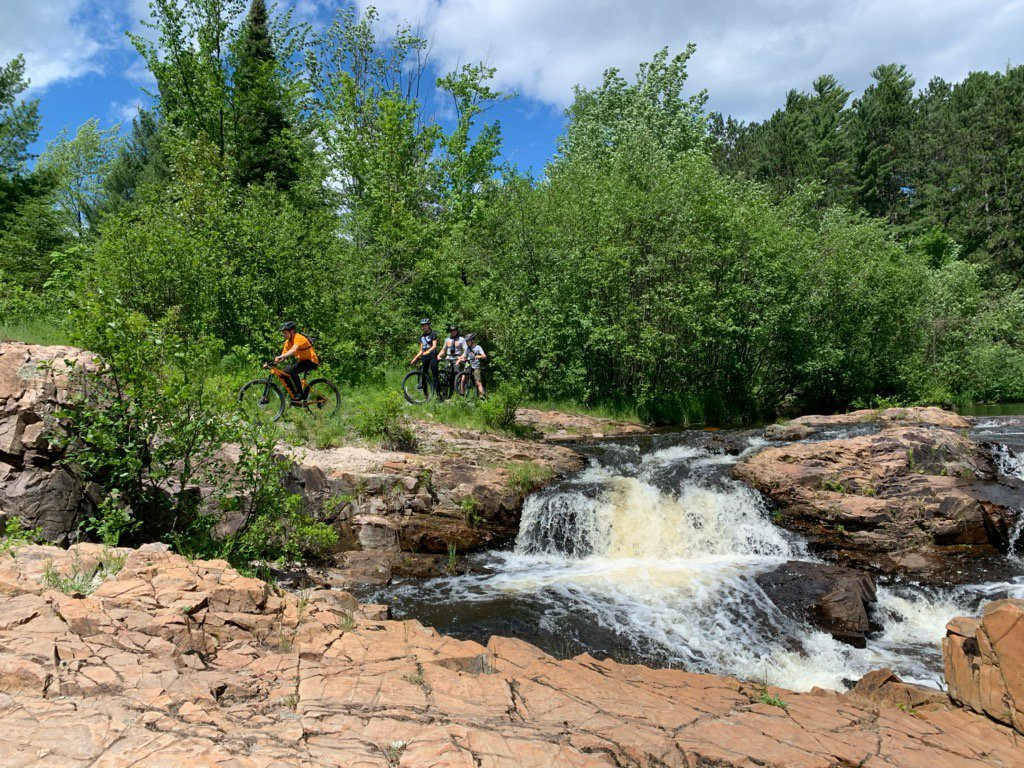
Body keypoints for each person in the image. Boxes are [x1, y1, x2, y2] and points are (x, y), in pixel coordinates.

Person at [274, 321, 319, 401]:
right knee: (283, 373)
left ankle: (300, 394)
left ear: (292, 331)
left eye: (285, 333)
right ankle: (294, 395)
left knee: (291, 369)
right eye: (283, 333)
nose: (284, 335)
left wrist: (282, 356)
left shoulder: (298, 337)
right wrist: (273, 363)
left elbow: (293, 350)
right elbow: (283, 356)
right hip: (303, 361)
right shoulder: (288, 342)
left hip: (312, 361)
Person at [409, 317, 439, 394]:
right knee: (424, 376)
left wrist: (428, 351)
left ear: (428, 325)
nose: (423, 327)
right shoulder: (422, 336)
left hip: (432, 356)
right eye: (422, 326)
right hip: (425, 357)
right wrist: (414, 359)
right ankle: (426, 396)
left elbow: (434, 346)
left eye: (425, 325)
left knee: (435, 375)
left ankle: (439, 396)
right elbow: (421, 350)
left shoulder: (433, 334)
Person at [458, 332, 487, 397]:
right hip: (468, 365)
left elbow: (484, 356)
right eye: (466, 341)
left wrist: (478, 356)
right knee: (463, 378)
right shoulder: (467, 349)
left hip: (476, 366)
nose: (467, 342)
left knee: (478, 381)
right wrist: (461, 359)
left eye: (468, 341)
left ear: (472, 341)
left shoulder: (478, 347)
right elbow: (464, 357)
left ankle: (482, 395)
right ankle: (462, 393)